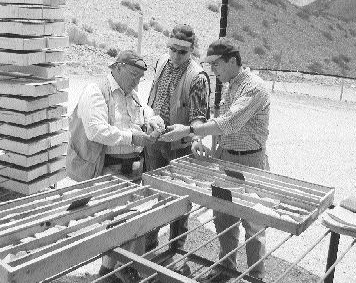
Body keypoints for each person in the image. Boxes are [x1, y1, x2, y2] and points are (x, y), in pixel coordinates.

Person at [159, 38, 270, 281]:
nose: (213, 70)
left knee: (253, 224)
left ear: (232, 61)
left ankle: (256, 277)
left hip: (250, 163)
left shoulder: (254, 88)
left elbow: (229, 123)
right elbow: (222, 127)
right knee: (223, 218)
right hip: (226, 159)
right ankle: (225, 269)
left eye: (216, 64)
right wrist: (208, 147)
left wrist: (188, 131)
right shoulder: (232, 85)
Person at [66, 50, 160, 283]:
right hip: (109, 170)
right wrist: (133, 138)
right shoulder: (95, 91)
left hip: (132, 170)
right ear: (116, 68)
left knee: (124, 222)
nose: (137, 81)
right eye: (133, 75)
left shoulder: (132, 92)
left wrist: (153, 119)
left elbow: (143, 112)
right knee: (125, 223)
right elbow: (96, 131)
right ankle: (125, 271)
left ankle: (109, 271)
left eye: (140, 77)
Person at [144, 24, 210, 274]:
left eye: (181, 52)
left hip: (178, 147)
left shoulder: (198, 77)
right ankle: (148, 249)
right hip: (154, 140)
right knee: (152, 195)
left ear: (192, 50)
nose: (175, 56)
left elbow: (198, 120)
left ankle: (174, 254)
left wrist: (191, 134)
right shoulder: (162, 62)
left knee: (178, 202)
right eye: (171, 49)